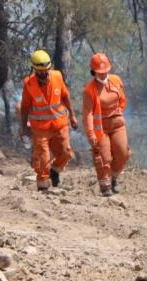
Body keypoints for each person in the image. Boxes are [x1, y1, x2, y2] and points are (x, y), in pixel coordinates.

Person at [19, 49, 78, 192]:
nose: (43, 73)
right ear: (34, 69)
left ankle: (55, 171)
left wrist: (73, 115)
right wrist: (24, 128)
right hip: (40, 129)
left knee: (66, 153)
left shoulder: (57, 76)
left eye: (46, 70)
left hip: (60, 125)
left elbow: (65, 96)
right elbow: (25, 107)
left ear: (49, 67)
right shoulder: (29, 84)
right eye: (40, 71)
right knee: (43, 159)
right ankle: (43, 188)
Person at [82, 52, 130, 196]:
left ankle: (113, 179)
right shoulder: (88, 90)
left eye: (105, 72)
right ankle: (105, 187)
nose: (103, 75)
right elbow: (88, 114)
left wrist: (118, 112)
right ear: (93, 72)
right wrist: (90, 134)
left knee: (123, 153)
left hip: (117, 124)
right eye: (99, 72)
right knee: (104, 158)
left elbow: (122, 100)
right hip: (100, 128)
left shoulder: (116, 80)